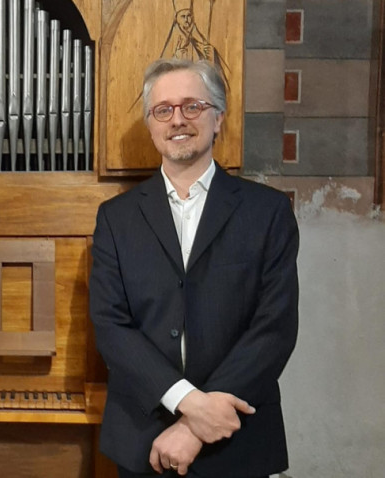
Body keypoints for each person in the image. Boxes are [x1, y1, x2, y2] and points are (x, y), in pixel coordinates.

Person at [89, 58, 298, 477]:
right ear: (151, 124)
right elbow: (111, 324)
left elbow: (273, 327)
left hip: (236, 435)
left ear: (218, 117)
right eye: (163, 110)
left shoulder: (268, 211)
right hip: (142, 435)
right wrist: (187, 402)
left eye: (193, 106)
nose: (177, 120)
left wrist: (198, 426)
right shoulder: (116, 217)